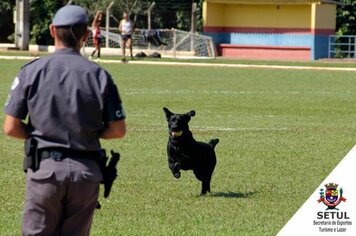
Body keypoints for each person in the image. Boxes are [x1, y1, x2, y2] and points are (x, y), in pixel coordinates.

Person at [3, 5, 126, 235]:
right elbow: (118, 130)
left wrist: (40, 134)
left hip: (45, 172)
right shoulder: (99, 75)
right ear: (86, 36)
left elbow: (10, 127)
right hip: (85, 172)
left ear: (52, 30)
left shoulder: (31, 72)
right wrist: (90, 132)